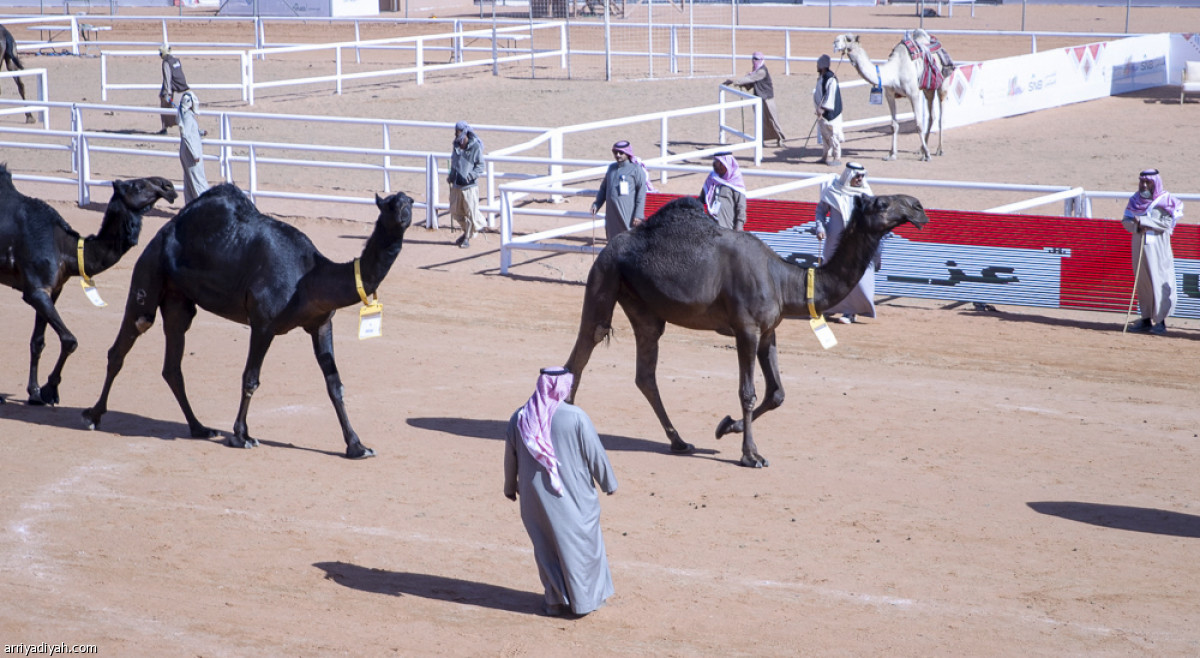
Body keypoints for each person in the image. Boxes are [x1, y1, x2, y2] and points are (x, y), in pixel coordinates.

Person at [504, 367, 618, 618]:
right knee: (581, 547)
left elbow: (510, 457)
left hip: (533, 498)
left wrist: (510, 487)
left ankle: (554, 601)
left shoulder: (520, 416)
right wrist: (608, 483)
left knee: (545, 549)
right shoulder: (575, 416)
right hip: (572, 496)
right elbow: (594, 453)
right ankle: (584, 602)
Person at [1122, 168, 1183, 335]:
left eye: (1147, 182)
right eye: (1141, 181)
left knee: (1159, 281)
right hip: (1139, 245)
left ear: (1154, 182)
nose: (1143, 185)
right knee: (1143, 283)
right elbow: (1126, 221)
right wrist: (1136, 226)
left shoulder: (1167, 200)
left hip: (1158, 249)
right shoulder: (1134, 200)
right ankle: (1146, 319)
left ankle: (1161, 321)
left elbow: (1166, 223)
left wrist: (1143, 221)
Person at [815, 162, 876, 323]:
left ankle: (851, 311)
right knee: (831, 275)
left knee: (855, 277)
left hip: (857, 243)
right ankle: (830, 307)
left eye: (862, 176)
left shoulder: (866, 194)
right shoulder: (832, 191)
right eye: (857, 176)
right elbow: (820, 211)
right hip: (834, 244)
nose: (860, 179)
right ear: (848, 175)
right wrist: (820, 228)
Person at [722, 52, 786, 148]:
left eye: (756, 59)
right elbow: (750, 82)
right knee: (760, 121)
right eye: (753, 58)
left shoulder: (762, 71)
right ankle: (761, 140)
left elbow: (750, 79)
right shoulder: (755, 71)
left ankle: (780, 139)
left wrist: (734, 81)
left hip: (767, 99)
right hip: (758, 98)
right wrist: (741, 84)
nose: (754, 60)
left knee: (772, 119)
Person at [591, 140, 648, 240]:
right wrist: (596, 204)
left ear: (627, 153)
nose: (618, 155)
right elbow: (604, 188)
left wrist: (638, 215)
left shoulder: (636, 169)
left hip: (628, 213)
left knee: (629, 238)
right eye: (615, 153)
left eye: (621, 153)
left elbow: (641, 193)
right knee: (612, 239)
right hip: (612, 214)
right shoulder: (611, 168)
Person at [448, 120, 486, 249]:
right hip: (457, 185)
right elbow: (454, 162)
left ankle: (467, 237)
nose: (456, 135)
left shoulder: (475, 146)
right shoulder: (456, 145)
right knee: (455, 211)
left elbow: (480, 166)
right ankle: (469, 231)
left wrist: (470, 176)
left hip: (469, 186)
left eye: (458, 132)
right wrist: (452, 175)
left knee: (470, 212)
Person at [699, 152, 747, 231]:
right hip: (711, 226)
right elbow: (702, 199)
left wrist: (739, 226)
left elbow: (741, 206)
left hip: (728, 227)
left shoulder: (736, 181)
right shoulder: (711, 179)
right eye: (716, 164)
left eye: (721, 164)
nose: (718, 167)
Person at [177, 90, 209, 204]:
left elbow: (189, 132)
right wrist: (194, 154)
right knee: (197, 180)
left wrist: (199, 132)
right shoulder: (188, 117)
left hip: (186, 153)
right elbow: (186, 135)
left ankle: (190, 205)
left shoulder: (186, 116)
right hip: (191, 154)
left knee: (190, 181)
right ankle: (205, 205)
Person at [812, 54, 844, 167]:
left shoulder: (831, 80)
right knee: (825, 136)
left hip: (830, 114)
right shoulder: (822, 78)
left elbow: (830, 97)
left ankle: (837, 157)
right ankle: (825, 156)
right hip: (822, 113)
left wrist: (823, 108)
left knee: (833, 136)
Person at [158, 45, 190, 135]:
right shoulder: (176, 61)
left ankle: (164, 128)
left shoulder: (166, 63)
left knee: (167, 108)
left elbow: (167, 79)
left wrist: (167, 93)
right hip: (182, 89)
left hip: (174, 91)